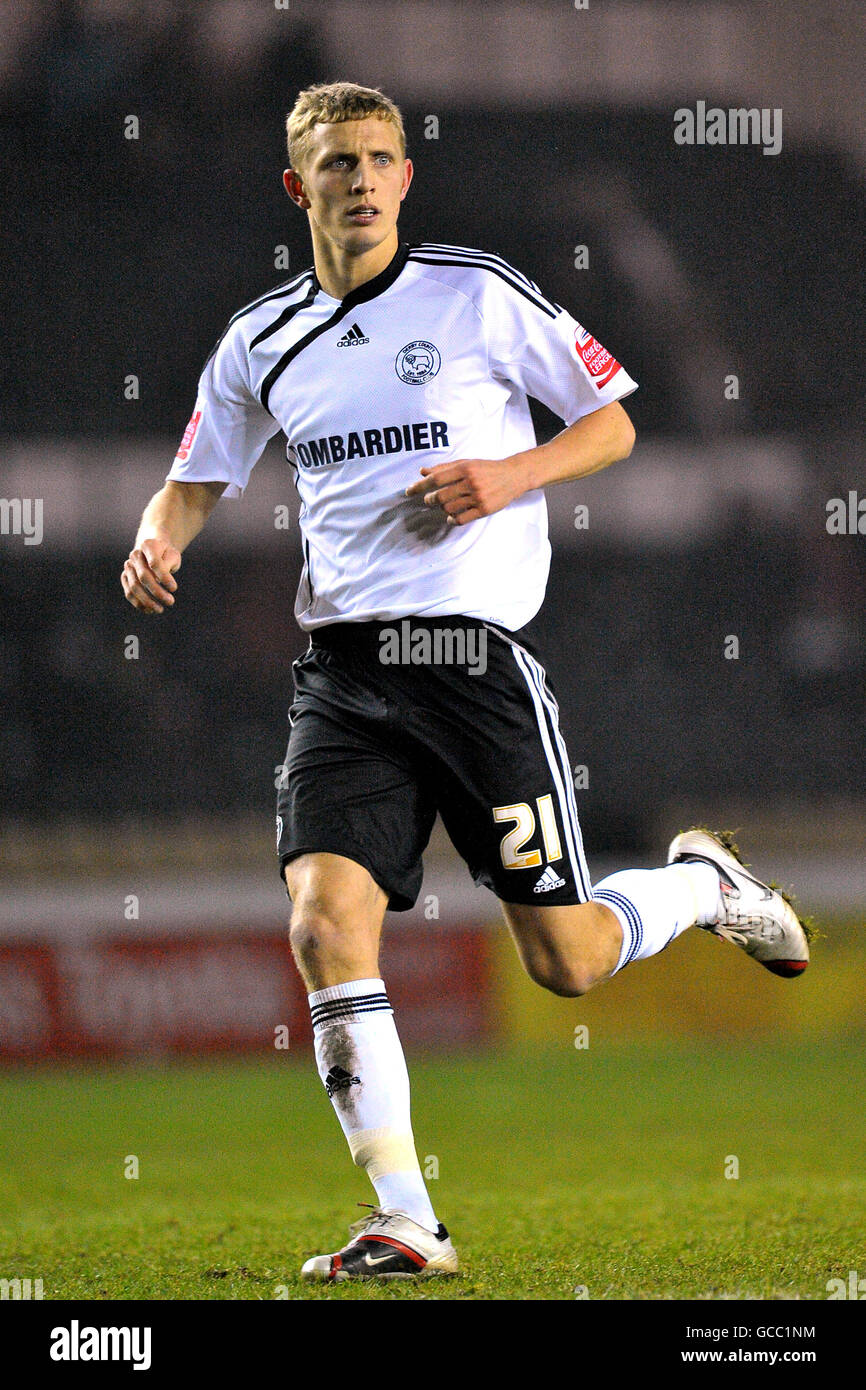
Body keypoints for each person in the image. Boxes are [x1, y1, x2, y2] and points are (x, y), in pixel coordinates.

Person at [121, 80, 810, 1283]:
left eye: (382, 158)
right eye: (339, 163)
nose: (365, 179)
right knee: (323, 925)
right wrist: (157, 538)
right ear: (299, 187)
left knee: (568, 962)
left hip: (471, 666)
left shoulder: (475, 293)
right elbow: (194, 474)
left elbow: (612, 421)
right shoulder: (258, 340)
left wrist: (510, 474)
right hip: (340, 680)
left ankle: (698, 887)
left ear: (405, 175)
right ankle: (405, 1218)